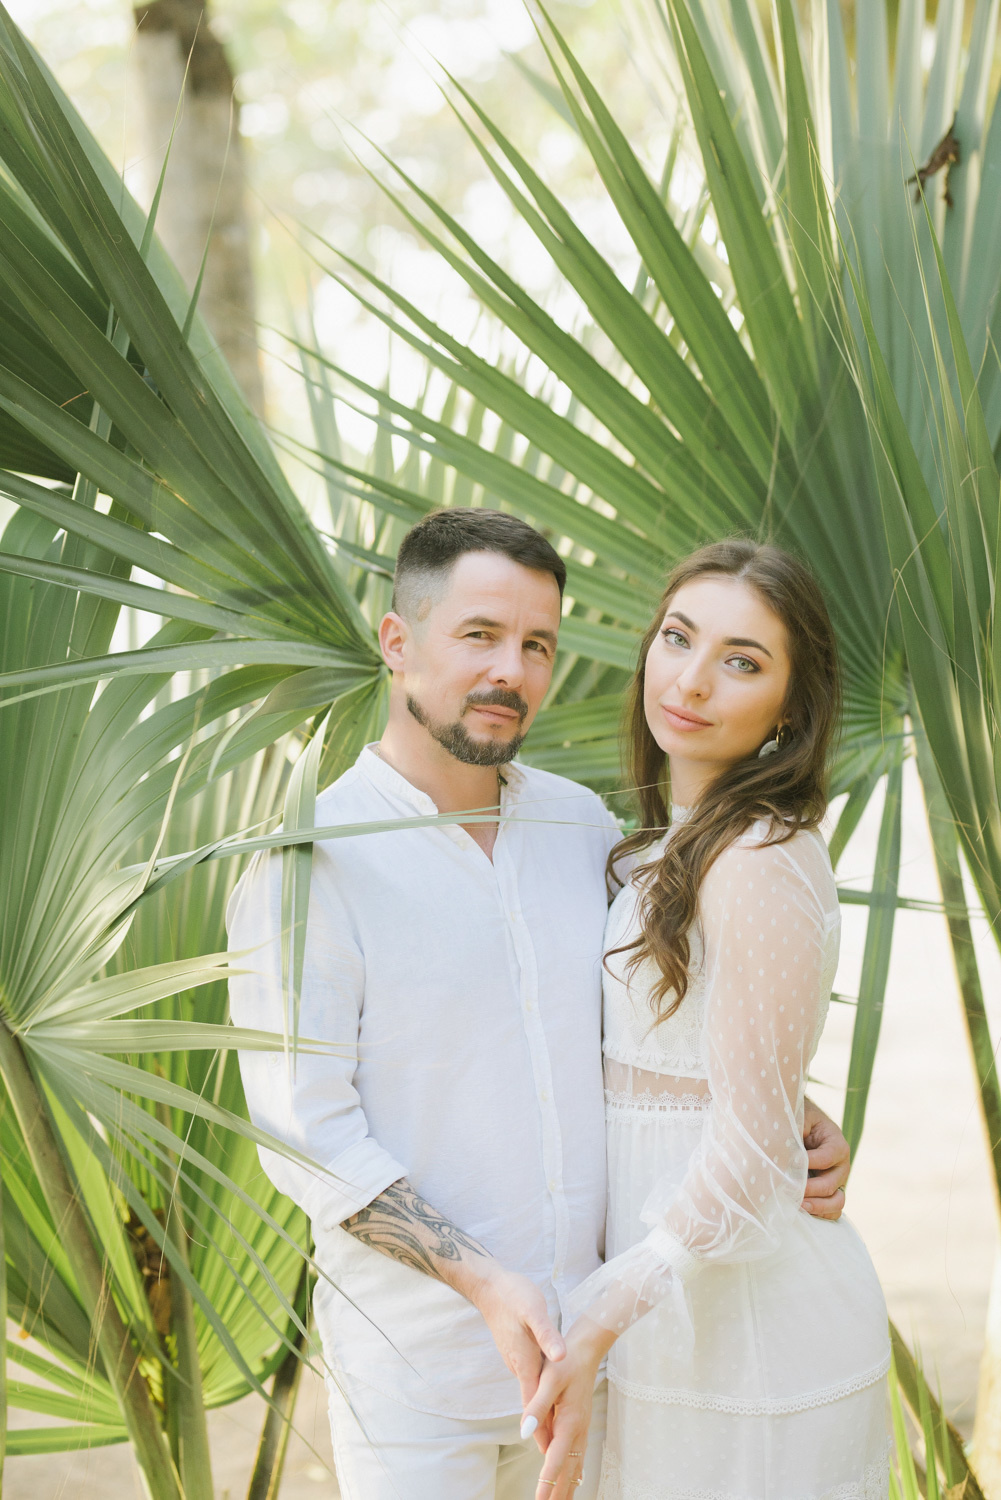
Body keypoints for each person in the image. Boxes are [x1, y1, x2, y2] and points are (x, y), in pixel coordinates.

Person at [227, 512, 852, 1500]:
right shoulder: (304, 861)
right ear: (398, 642)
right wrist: (481, 1279)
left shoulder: (579, 826)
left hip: (614, 1367)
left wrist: (787, 1114)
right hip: (418, 1381)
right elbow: (308, 1136)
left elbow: (664, 1023)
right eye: (478, 635)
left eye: (536, 645)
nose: (509, 670)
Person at [521, 539, 891, 1500]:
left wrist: (605, 1308)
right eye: (678, 638)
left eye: (742, 661)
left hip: (738, 1314)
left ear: (788, 711)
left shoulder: (757, 856)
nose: (691, 679)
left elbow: (752, 1147)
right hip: (673, 1299)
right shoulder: (678, 843)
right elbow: (723, 1076)